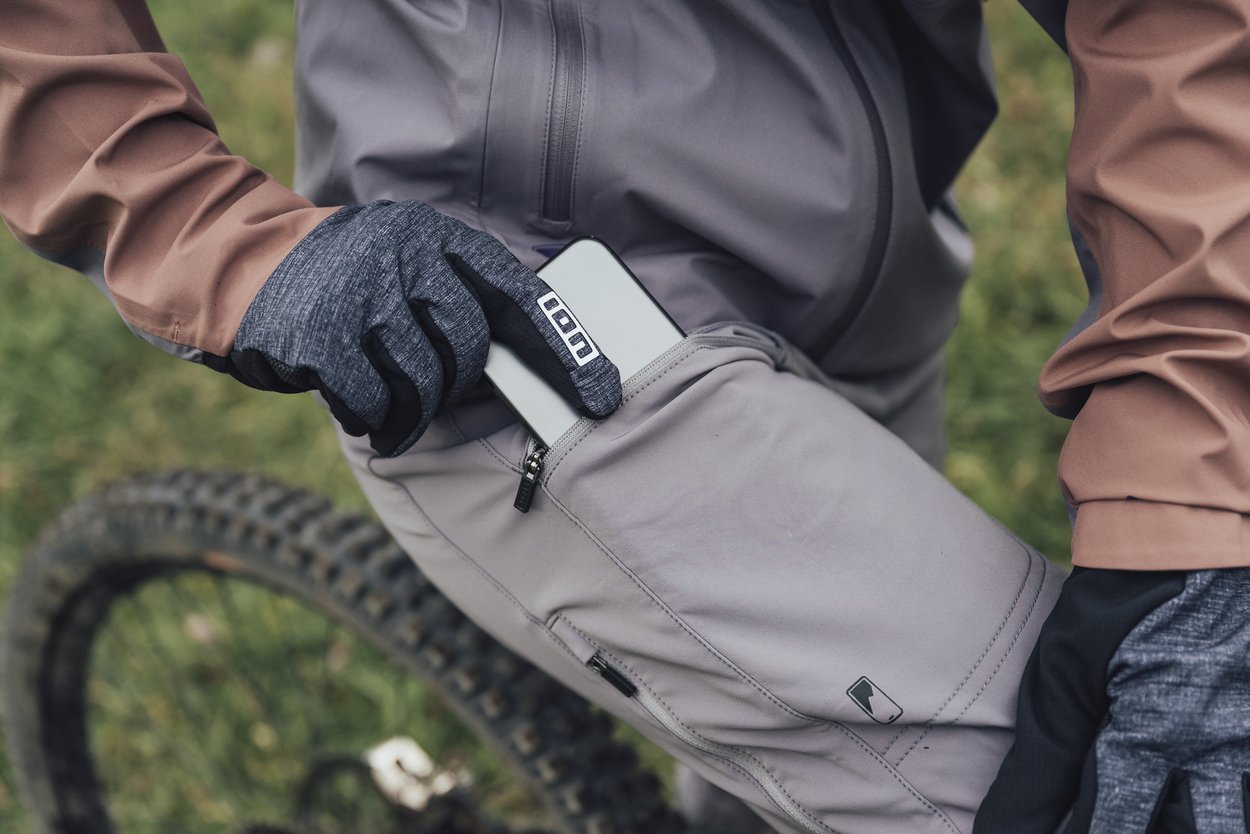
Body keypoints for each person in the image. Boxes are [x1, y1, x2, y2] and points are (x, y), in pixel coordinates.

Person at [2, 0, 1248, 831]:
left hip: (871, 246)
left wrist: (1189, 478)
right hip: (501, 324)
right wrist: (202, 230)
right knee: (1109, 800)